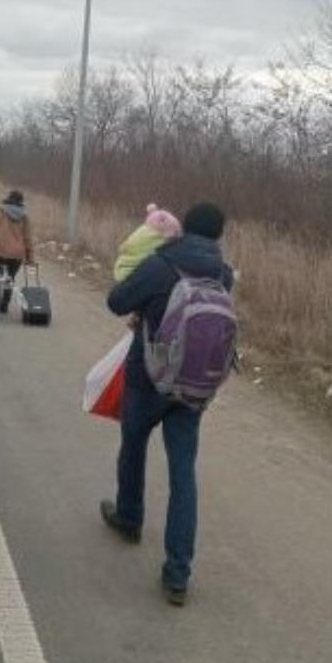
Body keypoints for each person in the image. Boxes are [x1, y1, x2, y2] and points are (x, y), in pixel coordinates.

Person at [101, 202, 233, 607]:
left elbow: (117, 301)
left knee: (134, 443)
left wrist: (144, 308)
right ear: (217, 236)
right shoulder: (222, 273)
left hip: (151, 376)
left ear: (180, 229)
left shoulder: (161, 263)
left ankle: (130, 517)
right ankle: (178, 574)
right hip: (195, 386)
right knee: (183, 474)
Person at [0, 190, 33, 313]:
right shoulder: (24, 216)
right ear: (21, 202)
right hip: (16, 255)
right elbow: (28, 238)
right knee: (10, 278)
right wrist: (30, 257)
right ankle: (4, 305)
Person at [114, 203, 181, 282]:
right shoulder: (159, 238)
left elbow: (127, 246)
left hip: (122, 267)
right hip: (135, 275)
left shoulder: (143, 230)